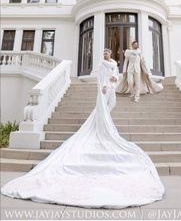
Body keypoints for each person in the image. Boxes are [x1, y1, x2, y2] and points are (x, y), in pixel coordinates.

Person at [1, 48, 165, 209]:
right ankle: (102, 122)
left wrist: (115, 79)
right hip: (104, 88)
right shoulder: (101, 65)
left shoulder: (114, 63)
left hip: (112, 87)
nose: (105, 55)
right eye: (104, 53)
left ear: (111, 54)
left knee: (112, 104)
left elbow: (115, 73)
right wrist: (101, 87)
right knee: (104, 106)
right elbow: (100, 78)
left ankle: (103, 119)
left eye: (107, 53)